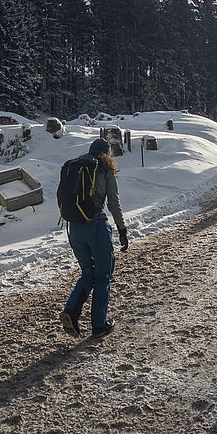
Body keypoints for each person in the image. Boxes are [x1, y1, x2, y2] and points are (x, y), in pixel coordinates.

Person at [60, 139, 127, 339]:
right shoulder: (104, 169)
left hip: (74, 228)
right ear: (106, 154)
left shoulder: (76, 166)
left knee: (88, 273)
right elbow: (113, 203)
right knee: (103, 275)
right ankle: (99, 325)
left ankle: (71, 311)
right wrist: (122, 229)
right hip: (96, 227)